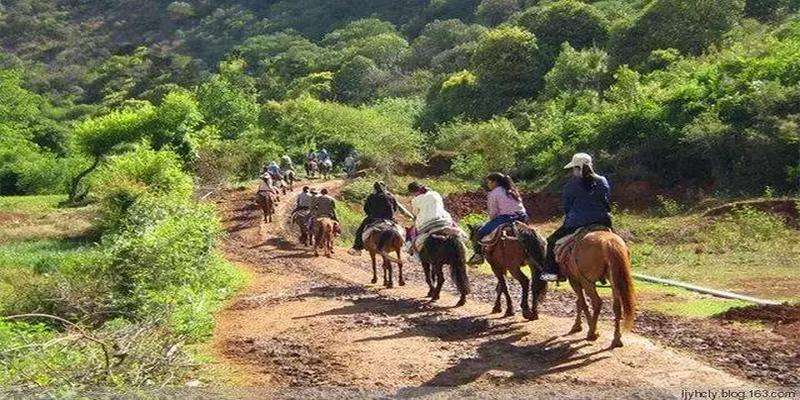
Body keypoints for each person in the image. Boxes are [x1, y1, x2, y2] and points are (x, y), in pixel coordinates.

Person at [540, 153, 612, 282]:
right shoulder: (602, 180)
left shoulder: (570, 186)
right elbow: (605, 199)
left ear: (576, 168)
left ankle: (551, 273)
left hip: (577, 222)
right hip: (603, 220)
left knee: (551, 241)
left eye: (573, 168)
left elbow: (567, 207)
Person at [467, 173, 528, 265]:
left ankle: (478, 255)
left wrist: (491, 222)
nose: (488, 184)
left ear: (495, 182)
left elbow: (493, 212)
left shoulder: (494, 193)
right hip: (523, 217)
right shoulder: (512, 190)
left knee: (480, 233)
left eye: (489, 182)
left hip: (506, 218)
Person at [349, 182, 413, 256]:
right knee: (401, 230)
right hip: (389, 219)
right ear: (385, 187)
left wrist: (370, 213)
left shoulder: (371, 196)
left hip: (373, 218)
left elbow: (366, 208)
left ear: (374, 188)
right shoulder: (390, 196)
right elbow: (394, 208)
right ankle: (406, 245)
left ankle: (357, 248)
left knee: (360, 230)